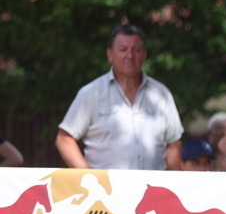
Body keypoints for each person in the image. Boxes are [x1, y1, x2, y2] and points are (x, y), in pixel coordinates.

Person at [55, 23, 183, 170]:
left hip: (153, 184)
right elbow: (64, 139)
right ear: (110, 55)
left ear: (144, 55)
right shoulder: (91, 93)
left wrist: (174, 180)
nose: (130, 56)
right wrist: (88, 175)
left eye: (136, 50)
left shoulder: (161, 94)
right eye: (123, 50)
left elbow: (174, 143)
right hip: (106, 185)